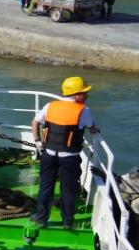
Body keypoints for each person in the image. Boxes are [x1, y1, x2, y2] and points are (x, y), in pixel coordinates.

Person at [31, 77, 100, 229]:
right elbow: (91, 126)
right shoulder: (84, 110)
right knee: (69, 189)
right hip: (69, 158)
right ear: (76, 94)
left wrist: (37, 141)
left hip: (49, 155)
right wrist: (94, 129)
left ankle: (41, 219)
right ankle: (67, 221)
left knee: (46, 186)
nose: (87, 95)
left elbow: (35, 122)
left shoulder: (50, 106)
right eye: (84, 92)